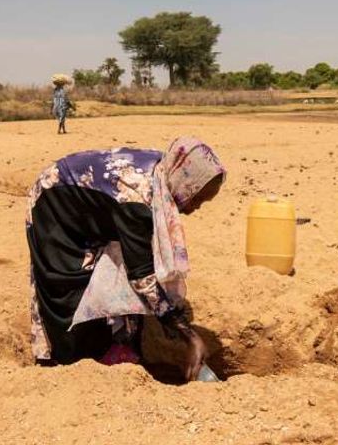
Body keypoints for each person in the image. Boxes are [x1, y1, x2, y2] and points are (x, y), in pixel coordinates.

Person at [26, 137, 226, 381]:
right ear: (186, 182)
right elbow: (142, 276)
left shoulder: (165, 174)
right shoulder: (138, 197)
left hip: (92, 212)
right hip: (56, 204)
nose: (196, 207)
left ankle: (111, 344)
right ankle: (68, 360)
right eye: (197, 197)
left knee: (111, 274)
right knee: (70, 286)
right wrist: (189, 335)